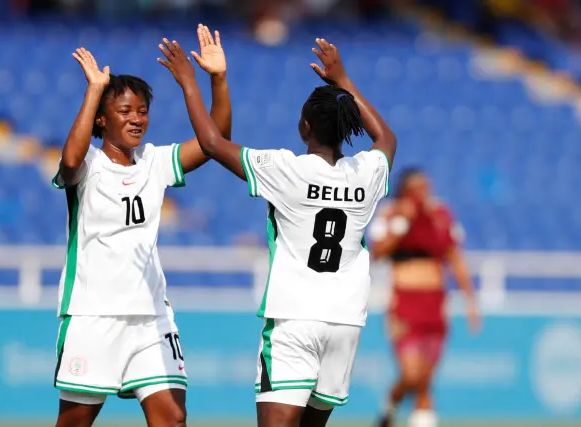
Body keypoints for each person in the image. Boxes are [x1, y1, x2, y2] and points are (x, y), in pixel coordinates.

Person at [157, 37, 397, 427]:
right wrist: (343, 80)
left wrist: (190, 81)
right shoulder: (365, 173)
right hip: (346, 321)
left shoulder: (288, 170)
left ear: (304, 127)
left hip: (295, 318)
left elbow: (213, 143)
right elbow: (387, 139)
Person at [51, 24, 231, 427]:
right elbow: (70, 161)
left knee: (172, 416)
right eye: (125, 111)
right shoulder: (90, 166)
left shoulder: (154, 162)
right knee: (74, 423)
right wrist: (95, 88)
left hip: (151, 316)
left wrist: (211, 80)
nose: (136, 119)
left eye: (143, 111)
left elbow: (216, 140)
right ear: (101, 120)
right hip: (93, 313)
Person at [368, 167, 480, 427]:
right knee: (410, 374)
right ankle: (391, 403)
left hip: (435, 304)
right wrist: (402, 222)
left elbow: (455, 259)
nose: (425, 193)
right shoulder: (391, 213)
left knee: (425, 382)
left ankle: (415, 415)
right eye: (419, 188)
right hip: (404, 304)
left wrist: (471, 301)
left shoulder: (440, 215)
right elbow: (379, 251)